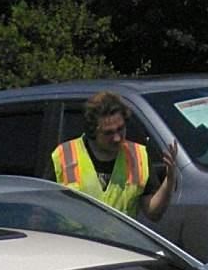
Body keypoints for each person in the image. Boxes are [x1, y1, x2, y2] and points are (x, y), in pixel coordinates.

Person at [50, 93, 178, 221]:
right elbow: (45, 211)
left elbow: (153, 213)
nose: (117, 138)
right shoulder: (64, 155)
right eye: (108, 133)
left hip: (119, 240)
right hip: (77, 240)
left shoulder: (138, 156)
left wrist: (169, 181)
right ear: (93, 131)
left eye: (120, 129)